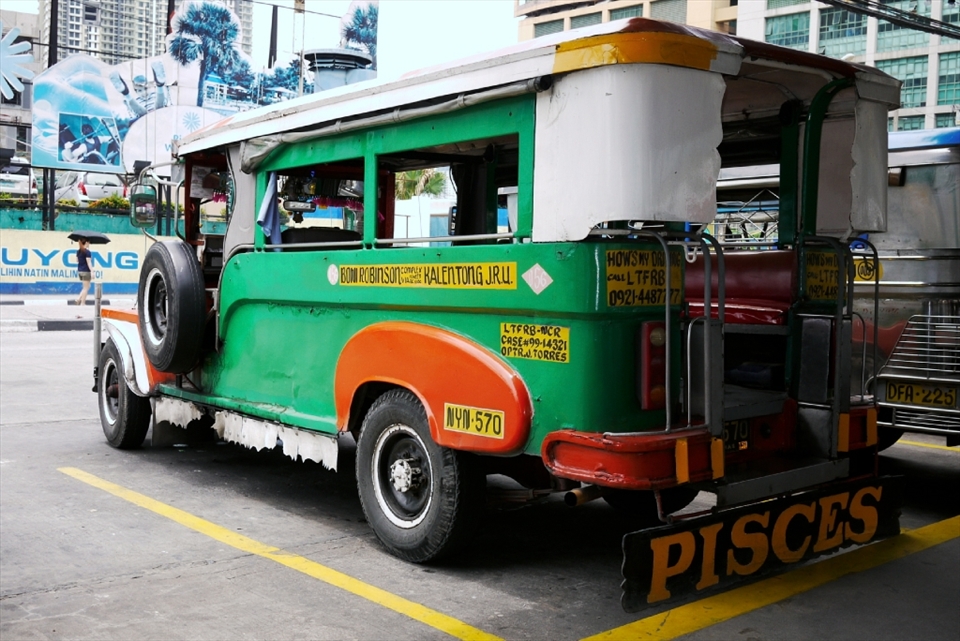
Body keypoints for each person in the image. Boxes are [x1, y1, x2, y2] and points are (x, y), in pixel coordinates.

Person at [75, 239, 92, 306]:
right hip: (86, 271)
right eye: (89, 242)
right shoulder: (87, 252)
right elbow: (89, 263)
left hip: (80, 270)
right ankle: (82, 303)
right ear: (86, 243)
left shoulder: (78, 251)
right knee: (86, 288)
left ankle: (78, 298)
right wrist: (92, 271)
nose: (89, 243)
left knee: (87, 286)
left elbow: (77, 260)